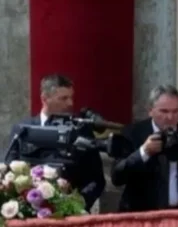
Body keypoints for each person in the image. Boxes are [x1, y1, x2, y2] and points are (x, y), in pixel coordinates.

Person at [111, 85, 178, 212]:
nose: (170, 117)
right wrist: (143, 152)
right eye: (164, 111)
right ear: (150, 110)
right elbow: (117, 177)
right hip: (142, 216)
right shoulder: (132, 133)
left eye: (175, 111)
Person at [6, 74, 105, 211]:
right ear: (44, 99)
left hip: (70, 212)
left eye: (71, 97)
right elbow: (8, 169)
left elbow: (96, 179)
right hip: (29, 210)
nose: (70, 103)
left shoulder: (81, 130)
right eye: (63, 98)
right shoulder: (23, 130)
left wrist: (79, 203)